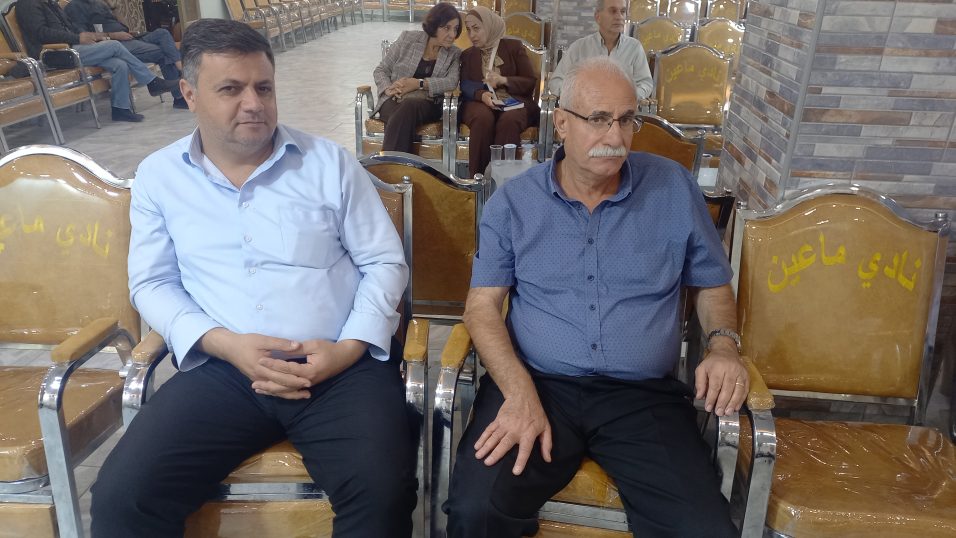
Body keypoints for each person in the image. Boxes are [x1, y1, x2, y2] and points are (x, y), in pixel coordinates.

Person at [90, 19, 415, 537]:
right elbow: (151, 283)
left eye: (264, 87)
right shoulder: (160, 176)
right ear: (189, 94)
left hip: (337, 367)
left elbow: (384, 262)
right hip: (224, 369)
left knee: (383, 494)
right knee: (122, 498)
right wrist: (225, 344)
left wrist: (347, 349)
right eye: (231, 89)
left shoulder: (328, 164)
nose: (253, 104)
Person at [445, 57, 746, 537]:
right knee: (476, 511)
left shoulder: (671, 188)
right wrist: (519, 392)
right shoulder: (515, 202)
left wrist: (724, 346)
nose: (616, 136)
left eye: (627, 119)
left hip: (641, 397)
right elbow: (481, 307)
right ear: (561, 122)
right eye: (600, 119)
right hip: (537, 384)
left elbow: (710, 283)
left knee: (702, 529)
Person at [15, 0, 180, 122]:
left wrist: (92, 37)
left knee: (119, 64)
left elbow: (72, 28)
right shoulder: (28, 4)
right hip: (54, 54)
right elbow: (41, 33)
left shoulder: (51, 4)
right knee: (114, 46)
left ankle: (120, 109)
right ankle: (152, 82)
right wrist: (78, 38)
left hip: (72, 48)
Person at [460, 6, 539, 177]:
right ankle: (478, 179)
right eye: (468, 30)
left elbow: (530, 82)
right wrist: (482, 95)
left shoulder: (513, 47)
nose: (472, 35)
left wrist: (504, 80)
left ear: (489, 26)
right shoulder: (467, 55)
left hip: (514, 100)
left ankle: (504, 180)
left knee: (509, 121)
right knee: (482, 117)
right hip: (479, 101)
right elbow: (465, 84)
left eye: (476, 28)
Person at [373, 2, 461, 153]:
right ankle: (399, 163)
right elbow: (381, 69)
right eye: (447, 28)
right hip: (394, 99)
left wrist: (419, 84)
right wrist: (388, 89)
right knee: (402, 116)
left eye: (456, 29)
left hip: (427, 104)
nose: (453, 35)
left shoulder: (454, 53)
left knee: (408, 107)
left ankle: (390, 161)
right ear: (434, 25)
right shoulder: (408, 39)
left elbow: (451, 82)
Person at [64, 0, 187, 109]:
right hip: (115, 43)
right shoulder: (75, 6)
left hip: (129, 38)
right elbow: (84, 37)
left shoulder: (99, 4)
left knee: (162, 33)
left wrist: (114, 8)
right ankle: (179, 94)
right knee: (164, 52)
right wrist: (113, 36)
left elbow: (124, 27)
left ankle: (179, 74)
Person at [548, 0, 653, 100]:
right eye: (613, 11)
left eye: (623, 11)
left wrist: (627, 98)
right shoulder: (579, 48)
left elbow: (645, 83)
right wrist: (578, 96)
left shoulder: (634, 48)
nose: (619, 17)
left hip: (623, 109)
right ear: (597, 17)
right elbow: (556, 82)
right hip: (586, 109)